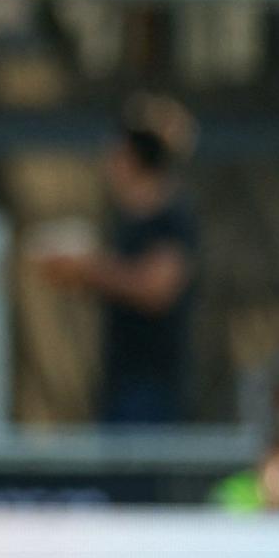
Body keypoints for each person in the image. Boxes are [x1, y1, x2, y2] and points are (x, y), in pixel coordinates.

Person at [34, 94, 199, 424]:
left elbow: (157, 287)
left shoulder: (171, 220)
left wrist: (90, 268)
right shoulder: (126, 221)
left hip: (152, 389)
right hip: (119, 382)